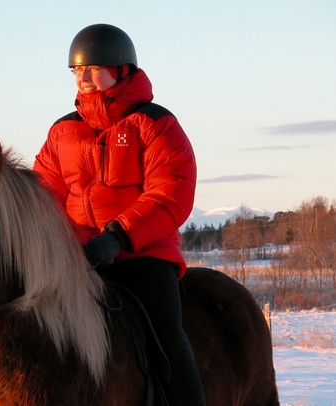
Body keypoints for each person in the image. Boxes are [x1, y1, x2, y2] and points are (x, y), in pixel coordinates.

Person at [33, 23, 206, 406]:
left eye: (94, 69)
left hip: (142, 255)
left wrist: (117, 236)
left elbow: (172, 191)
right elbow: (42, 197)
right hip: (78, 261)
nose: (85, 78)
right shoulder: (62, 132)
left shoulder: (156, 123)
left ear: (122, 69)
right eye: (78, 71)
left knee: (168, 341)